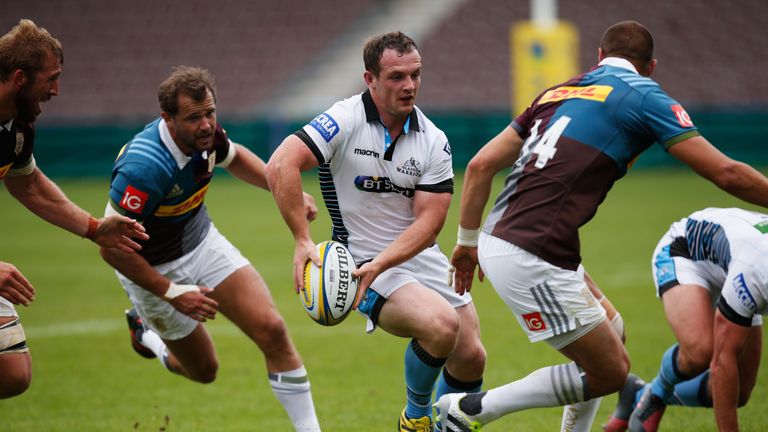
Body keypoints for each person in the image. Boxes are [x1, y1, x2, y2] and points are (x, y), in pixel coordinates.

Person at [435, 20, 768, 432]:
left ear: (598, 56)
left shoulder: (557, 90)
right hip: (531, 253)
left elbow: (482, 164)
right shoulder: (645, 95)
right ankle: (470, 409)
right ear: (651, 66)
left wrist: (466, 242)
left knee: (613, 331)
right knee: (609, 372)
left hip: (506, 238)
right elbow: (728, 174)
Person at [265, 31, 486, 431]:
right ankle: (415, 418)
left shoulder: (434, 139)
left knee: (472, 355)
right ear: (370, 79)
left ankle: (446, 426)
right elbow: (281, 164)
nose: (410, 86)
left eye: (416, 75)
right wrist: (301, 239)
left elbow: (430, 221)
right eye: (397, 77)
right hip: (361, 263)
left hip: (412, 256)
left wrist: (388, 260)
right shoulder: (344, 120)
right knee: (441, 326)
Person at [98, 66, 321, 431]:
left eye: (210, 113)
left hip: (201, 243)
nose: (206, 125)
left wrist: (282, 189)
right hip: (152, 269)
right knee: (204, 371)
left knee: (273, 330)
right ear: (167, 118)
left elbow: (234, 158)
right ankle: (148, 336)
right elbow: (111, 249)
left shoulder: (206, 136)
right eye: (193, 118)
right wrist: (172, 293)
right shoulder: (143, 167)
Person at [0, 19, 147, 399]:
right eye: (51, 78)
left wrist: (94, 227)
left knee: (12, 372)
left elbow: (29, 184)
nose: (56, 90)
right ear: (19, 78)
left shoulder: (15, 129)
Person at [603, 207, 766, 432]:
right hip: (685, 250)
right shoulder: (756, 275)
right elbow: (722, 362)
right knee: (702, 350)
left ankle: (638, 394)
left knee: (740, 392)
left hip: (732, 264)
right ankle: (656, 392)